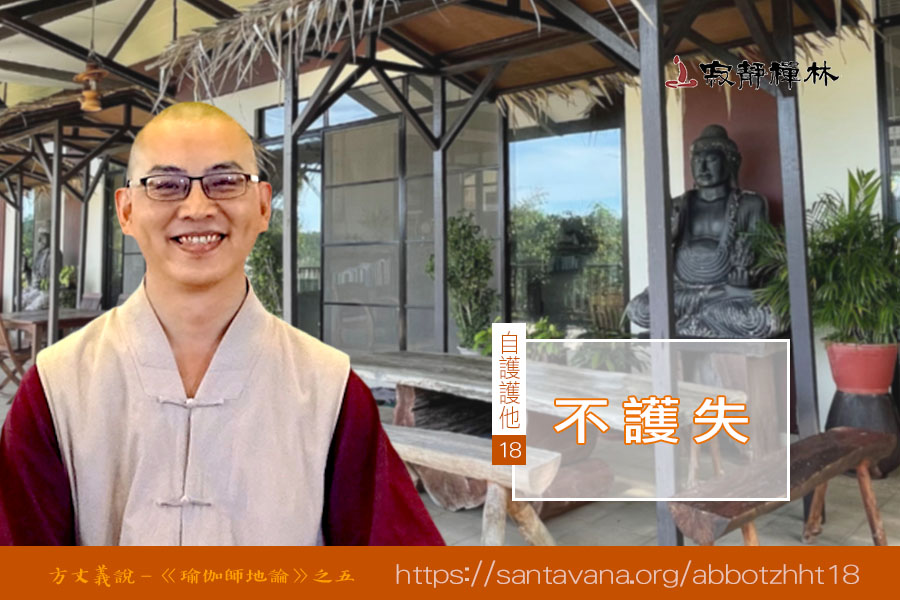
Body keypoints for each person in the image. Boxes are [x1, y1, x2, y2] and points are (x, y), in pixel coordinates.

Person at [0, 102, 444, 546]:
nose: (197, 207)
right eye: (165, 184)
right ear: (127, 210)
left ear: (263, 205)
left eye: (226, 181)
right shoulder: (57, 389)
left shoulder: (330, 392)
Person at [625, 124, 783, 338]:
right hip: (684, 291)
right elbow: (660, 263)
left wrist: (747, 275)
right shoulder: (677, 206)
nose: (703, 168)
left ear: (731, 162)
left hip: (730, 293)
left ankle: (689, 321)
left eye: (712, 160)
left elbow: (767, 259)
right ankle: (702, 318)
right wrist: (668, 239)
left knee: (759, 318)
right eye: (697, 160)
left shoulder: (751, 204)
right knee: (639, 309)